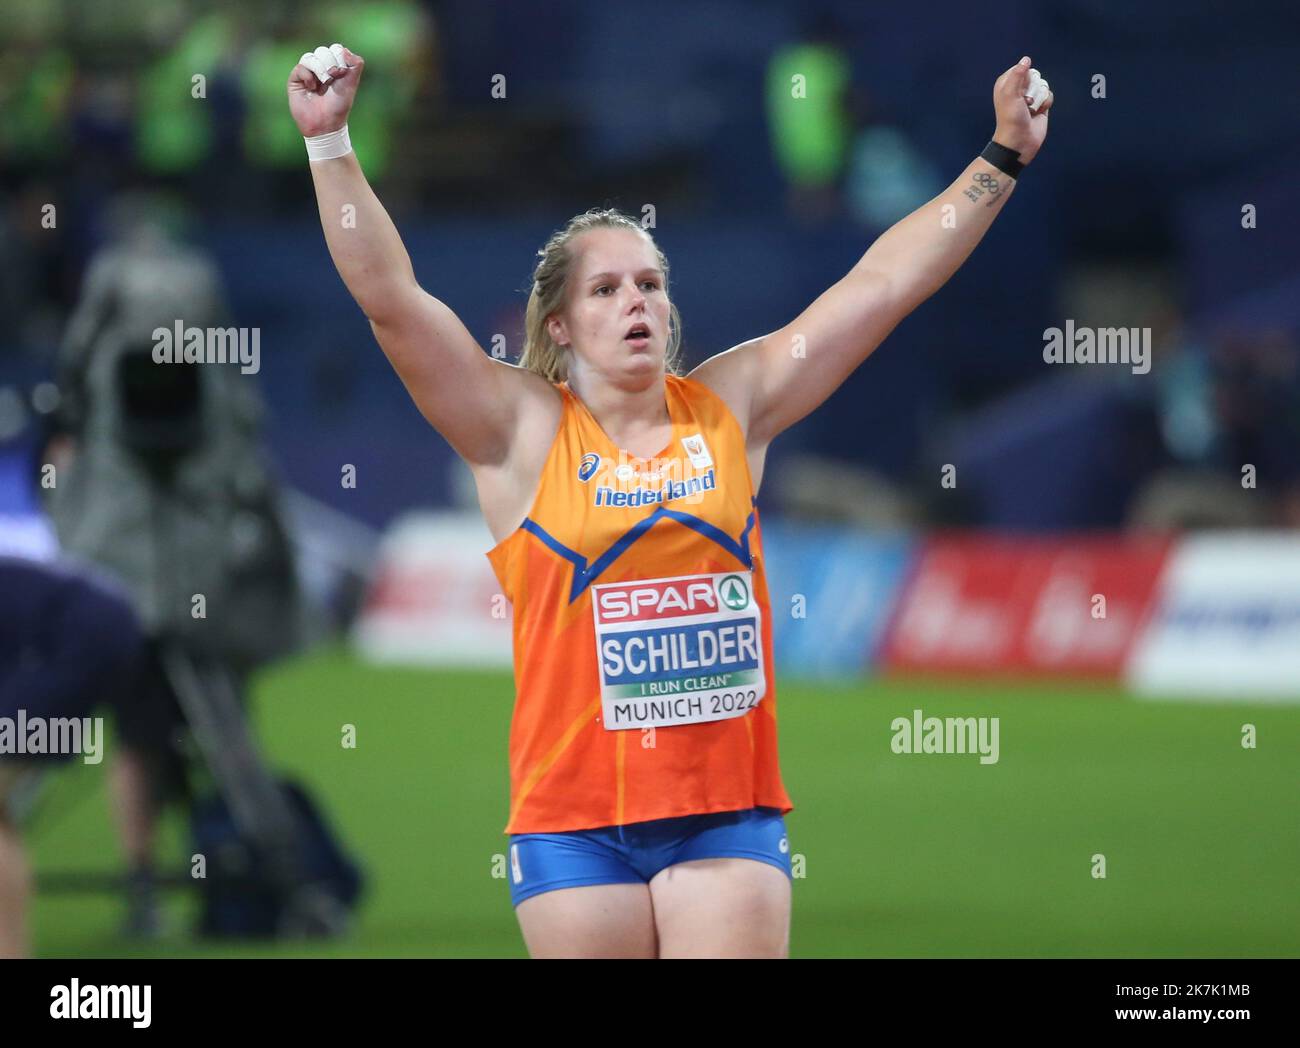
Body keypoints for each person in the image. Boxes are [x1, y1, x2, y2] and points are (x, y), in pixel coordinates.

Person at [288, 44, 1053, 958]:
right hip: (572, 825)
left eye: (650, 283)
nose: (636, 303)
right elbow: (393, 301)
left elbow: (884, 285)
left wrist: (1001, 155)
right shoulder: (517, 432)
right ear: (561, 325)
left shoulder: (733, 405)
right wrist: (330, 144)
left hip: (723, 816)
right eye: (607, 290)